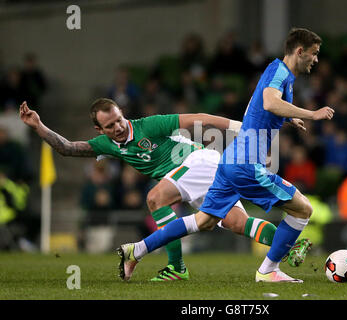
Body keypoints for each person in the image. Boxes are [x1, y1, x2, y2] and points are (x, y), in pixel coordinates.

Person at [121, 27, 334, 283]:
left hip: (231, 160)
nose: (316, 59)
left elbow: (256, 104)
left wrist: (288, 117)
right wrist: (310, 114)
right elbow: (268, 102)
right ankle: (268, 270)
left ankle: (137, 249)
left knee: (204, 220)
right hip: (246, 164)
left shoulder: (277, 71)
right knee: (302, 209)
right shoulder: (280, 72)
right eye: (314, 53)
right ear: (300, 51)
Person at [19, 98, 308, 281]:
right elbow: (68, 148)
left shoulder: (149, 125)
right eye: (110, 126)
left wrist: (240, 126)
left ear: (123, 114)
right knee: (235, 223)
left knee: (155, 197)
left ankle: (175, 267)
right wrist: (38, 126)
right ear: (100, 131)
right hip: (194, 179)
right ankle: (289, 245)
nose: (118, 127)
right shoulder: (106, 146)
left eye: (119, 119)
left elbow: (201, 119)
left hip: (199, 162)